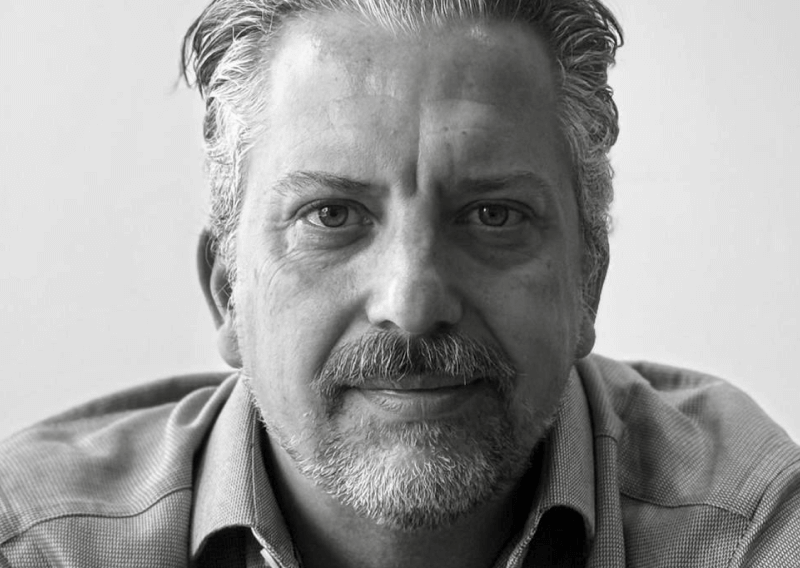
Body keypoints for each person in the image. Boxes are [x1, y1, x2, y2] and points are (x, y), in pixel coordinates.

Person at [1, 0, 798, 566]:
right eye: (331, 216)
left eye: (492, 215)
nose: (412, 304)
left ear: (588, 281)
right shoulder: (37, 543)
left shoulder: (743, 528)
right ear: (227, 292)